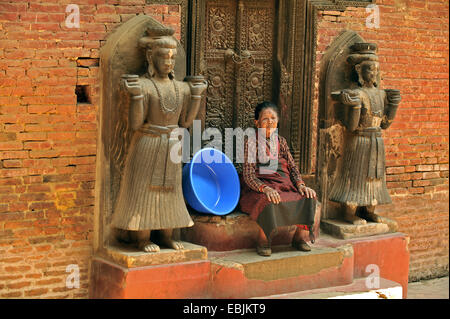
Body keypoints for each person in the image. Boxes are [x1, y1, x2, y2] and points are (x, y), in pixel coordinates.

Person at [111, 26, 207, 252]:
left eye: (172, 58)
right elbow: (135, 124)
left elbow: (185, 123)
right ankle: (142, 238)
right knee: (144, 190)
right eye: (164, 56)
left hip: (172, 143)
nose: (169, 62)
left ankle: (166, 235)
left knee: (170, 190)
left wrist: (196, 95)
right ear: (150, 57)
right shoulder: (144, 85)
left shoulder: (181, 87)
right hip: (148, 142)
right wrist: (135, 96)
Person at [329, 43, 401, 225]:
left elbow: (384, 124)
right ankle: (349, 212)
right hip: (359, 140)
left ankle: (369, 210)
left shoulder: (381, 95)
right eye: (370, 70)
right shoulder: (358, 94)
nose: (374, 73)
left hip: (377, 140)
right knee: (356, 176)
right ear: (360, 72)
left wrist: (393, 105)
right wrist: (354, 106)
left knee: (375, 177)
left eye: (376, 70)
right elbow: (352, 127)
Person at [239, 101, 317, 257]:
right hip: (258, 187)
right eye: (265, 119)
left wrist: (301, 185)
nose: (270, 122)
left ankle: (299, 238)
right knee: (267, 200)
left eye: (273, 118)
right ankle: (264, 240)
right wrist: (265, 188)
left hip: (284, 185)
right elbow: (248, 174)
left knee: (309, 196)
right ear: (257, 123)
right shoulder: (251, 142)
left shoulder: (281, 142)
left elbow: (293, 168)